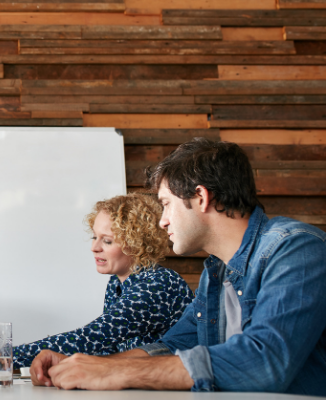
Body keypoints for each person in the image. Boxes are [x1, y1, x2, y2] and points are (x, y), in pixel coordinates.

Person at [34, 138, 326, 396]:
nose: (162, 221)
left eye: (166, 204)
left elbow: (264, 360)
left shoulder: (296, 249)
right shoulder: (216, 272)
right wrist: (89, 366)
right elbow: (175, 346)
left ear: (201, 197)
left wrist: (117, 373)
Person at [0, 194, 193, 379]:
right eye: (94, 237)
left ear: (137, 243)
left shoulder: (157, 285)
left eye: (107, 241)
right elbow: (107, 348)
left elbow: (93, 337)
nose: (94, 247)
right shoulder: (117, 283)